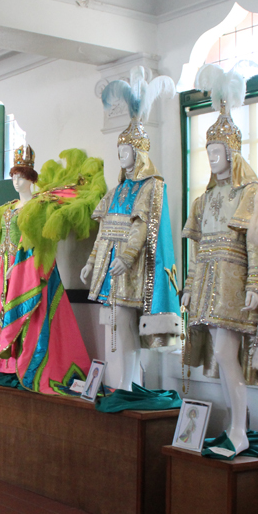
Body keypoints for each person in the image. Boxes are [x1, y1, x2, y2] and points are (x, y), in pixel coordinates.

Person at [0, 146, 101, 395]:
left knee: (31, 316)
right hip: (5, 269)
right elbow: (4, 242)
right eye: (13, 176)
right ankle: (4, 365)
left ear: (30, 178)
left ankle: (29, 363)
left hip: (29, 268)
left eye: (20, 176)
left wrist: (19, 266)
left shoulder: (40, 205)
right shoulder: (8, 209)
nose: (16, 181)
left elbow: (39, 241)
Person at [81, 67, 182, 390]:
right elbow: (102, 233)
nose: (121, 156)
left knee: (127, 325)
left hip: (132, 267)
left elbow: (143, 227)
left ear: (137, 153)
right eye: (119, 151)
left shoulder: (151, 186)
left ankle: (130, 382)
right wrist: (91, 262)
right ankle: (126, 382)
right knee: (119, 325)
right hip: (112, 266)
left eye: (125, 150)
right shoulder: (115, 191)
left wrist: (126, 256)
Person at [181, 66, 258, 455]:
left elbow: (257, 244)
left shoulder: (249, 193)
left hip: (232, 282)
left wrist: (256, 285)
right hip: (207, 284)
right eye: (209, 152)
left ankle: (240, 427)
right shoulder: (204, 201)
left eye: (218, 152)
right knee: (219, 356)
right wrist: (187, 288)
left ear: (232, 153)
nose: (212, 158)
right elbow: (197, 254)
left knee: (229, 356)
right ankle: (236, 425)